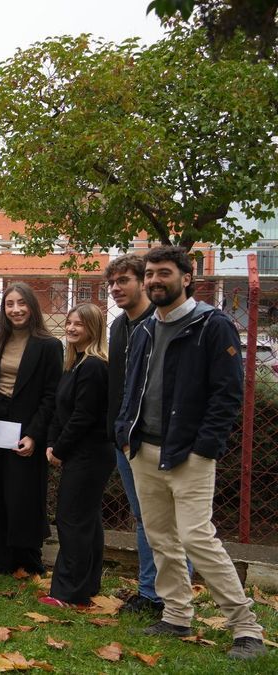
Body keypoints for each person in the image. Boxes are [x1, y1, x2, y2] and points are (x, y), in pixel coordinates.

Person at [116, 246, 266, 660]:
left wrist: (204, 448)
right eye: (149, 274)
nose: (154, 281)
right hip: (143, 449)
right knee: (161, 537)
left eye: (163, 273)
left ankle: (246, 628)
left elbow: (228, 394)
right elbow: (133, 387)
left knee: (197, 538)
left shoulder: (211, 326)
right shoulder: (145, 328)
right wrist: (125, 433)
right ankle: (177, 615)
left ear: (187, 278)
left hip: (189, 455)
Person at [0, 282, 61, 575]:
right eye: (10, 304)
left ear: (32, 307)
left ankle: (27, 559)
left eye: (21, 303)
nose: (15, 310)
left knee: (23, 495)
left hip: (27, 430)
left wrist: (35, 435)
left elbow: (51, 395)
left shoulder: (49, 346)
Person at [38, 303, 115, 607]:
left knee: (72, 521)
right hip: (79, 453)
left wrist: (60, 448)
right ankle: (87, 584)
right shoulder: (75, 363)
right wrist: (52, 442)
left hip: (91, 454)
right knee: (87, 521)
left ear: (93, 329)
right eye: (69, 323)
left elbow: (84, 416)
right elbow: (61, 410)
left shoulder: (95, 365)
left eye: (79, 325)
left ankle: (68, 592)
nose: (71, 328)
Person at [105, 254, 165, 615]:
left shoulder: (157, 326)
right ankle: (150, 591)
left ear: (143, 282)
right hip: (122, 439)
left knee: (160, 519)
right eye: (112, 282)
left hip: (152, 440)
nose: (116, 288)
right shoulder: (118, 327)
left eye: (124, 280)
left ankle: (162, 594)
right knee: (143, 516)